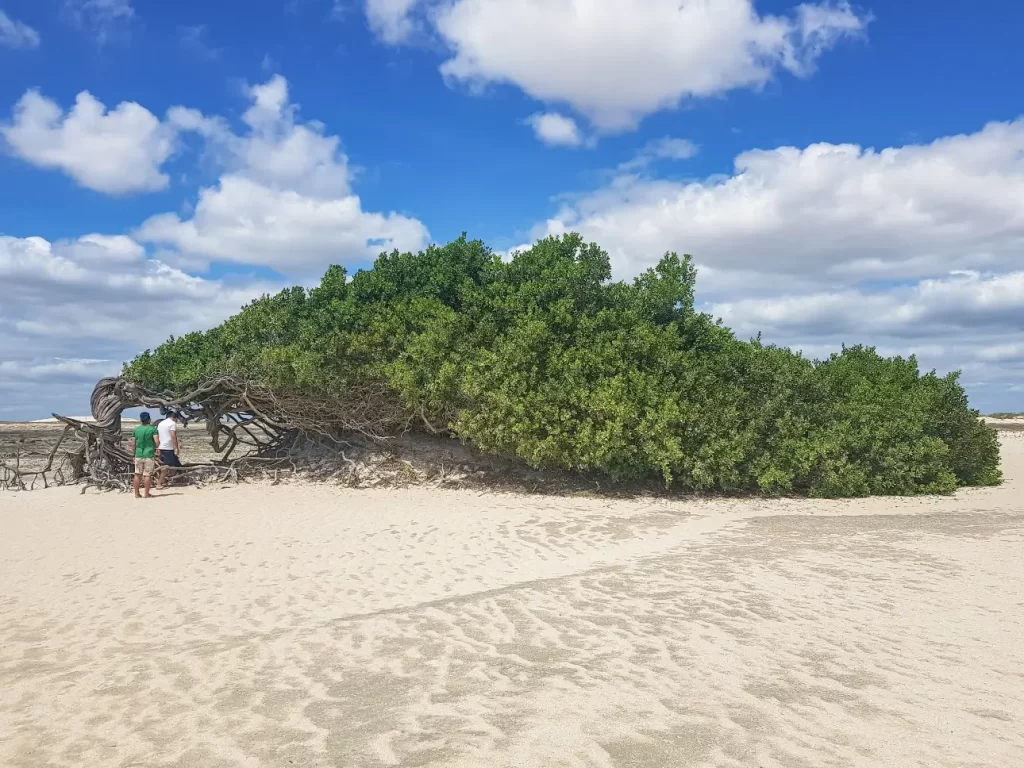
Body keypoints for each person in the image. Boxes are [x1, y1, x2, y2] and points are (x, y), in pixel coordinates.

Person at [129, 412, 160, 498]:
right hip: (149, 454)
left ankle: (136, 493)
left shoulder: (136, 430)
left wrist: (133, 455)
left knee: (137, 474)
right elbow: (156, 441)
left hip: (138, 454)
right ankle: (146, 493)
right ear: (149, 420)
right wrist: (157, 448)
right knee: (147, 474)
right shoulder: (153, 429)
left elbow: (133, 444)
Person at [156, 413, 182, 489]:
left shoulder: (161, 423)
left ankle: (172, 479)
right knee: (166, 466)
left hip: (161, 446)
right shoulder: (172, 423)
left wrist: (157, 447)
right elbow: (173, 436)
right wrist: (176, 447)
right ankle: (159, 483)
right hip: (168, 447)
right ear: (175, 418)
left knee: (174, 463)